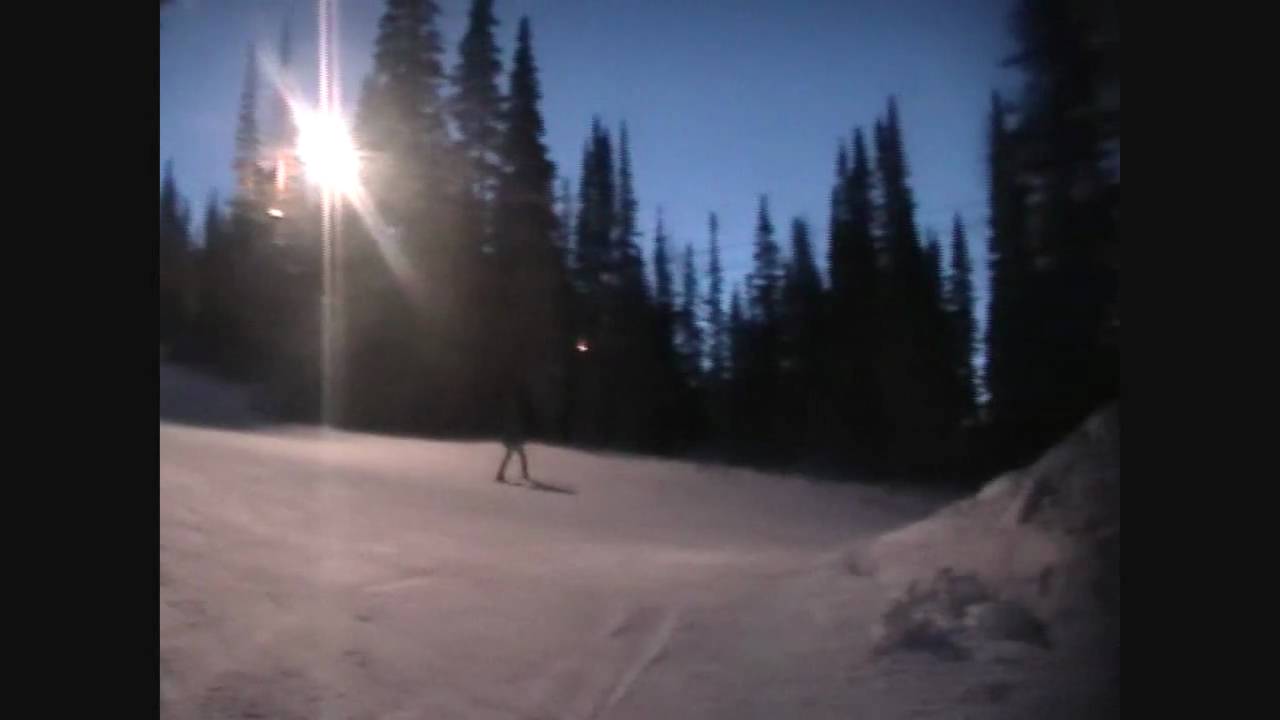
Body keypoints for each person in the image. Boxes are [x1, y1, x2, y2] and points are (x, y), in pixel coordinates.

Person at [496, 386, 536, 483]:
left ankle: (502, 474)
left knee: (514, 456)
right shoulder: (512, 416)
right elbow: (512, 428)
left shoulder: (512, 415)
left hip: (513, 439)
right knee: (517, 456)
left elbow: (513, 428)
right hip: (513, 439)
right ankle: (502, 474)